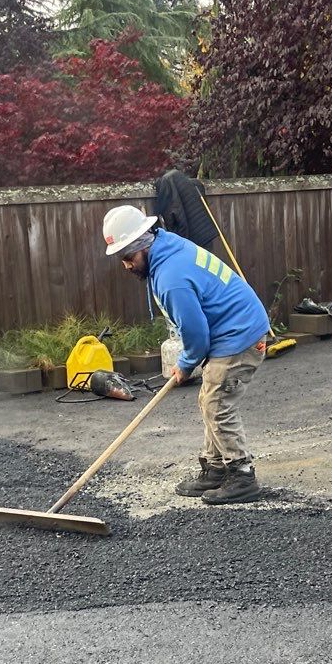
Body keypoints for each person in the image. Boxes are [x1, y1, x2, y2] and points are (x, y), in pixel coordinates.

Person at [102, 204, 270, 505]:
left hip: (239, 335)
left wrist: (185, 364)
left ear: (143, 244)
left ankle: (242, 475)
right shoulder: (168, 244)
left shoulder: (171, 277)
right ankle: (215, 469)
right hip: (231, 329)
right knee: (209, 399)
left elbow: (196, 333)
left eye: (128, 257)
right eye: (121, 259)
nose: (126, 265)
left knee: (217, 403)